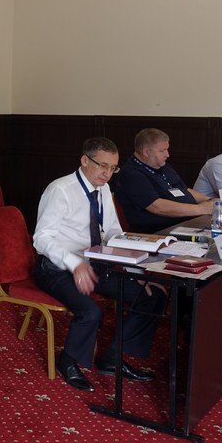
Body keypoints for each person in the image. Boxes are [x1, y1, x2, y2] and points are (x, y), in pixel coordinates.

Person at [32, 137, 166, 393]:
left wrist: (135, 270)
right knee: (91, 311)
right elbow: (42, 239)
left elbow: (113, 233)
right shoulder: (60, 190)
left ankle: (112, 359)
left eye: (113, 168)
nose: (107, 174)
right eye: (102, 166)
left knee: (152, 296)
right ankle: (68, 362)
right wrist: (75, 263)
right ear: (85, 160)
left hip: (93, 263)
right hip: (55, 268)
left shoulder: (102, 188)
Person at [113, 128, 214, 234]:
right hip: (157, 232)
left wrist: (209, 200)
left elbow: (185, 190)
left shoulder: (162, 166)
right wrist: (201, 209)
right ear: (146, 152)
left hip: (184, 224)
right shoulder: (131, 174)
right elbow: (157, 207)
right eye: (162, 151)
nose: (167, 154)